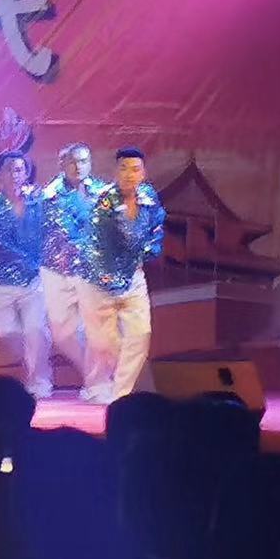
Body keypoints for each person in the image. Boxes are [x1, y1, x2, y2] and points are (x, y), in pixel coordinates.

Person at [73, 147, 164, 405]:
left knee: (140, 334)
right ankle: (98, 385)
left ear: (143, 173)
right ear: (115, 171)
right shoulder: (104, 202)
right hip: (97, 280)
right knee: (105, 344)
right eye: (123, 168)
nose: (129, 175)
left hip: (132, 276)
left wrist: (148, 251)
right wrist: (109, 280)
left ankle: (121, 396)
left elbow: (156, 228)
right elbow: (96, 245)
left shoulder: (148, 197)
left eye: (135, 169)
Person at [0, 153, 55, 398]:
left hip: (34, 280)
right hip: (1, 281)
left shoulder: (39, 201)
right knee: (6, 333)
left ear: (26, 173)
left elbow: (52, 231)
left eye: (19, 170)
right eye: (9, 170)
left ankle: (39, 382)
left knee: (36, 330)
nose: (14, 175)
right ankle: (30, 365)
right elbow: (2, 244)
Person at [40, 143, 105, 386]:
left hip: (93, 271)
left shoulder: (103, 193)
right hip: (57, 271)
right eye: (73, 162)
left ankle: (98, 382)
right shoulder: (50, 196)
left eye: (84, 161)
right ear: (62, 164)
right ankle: (94, 375)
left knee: (96, 330)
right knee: (62, 333)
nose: (79, 167)